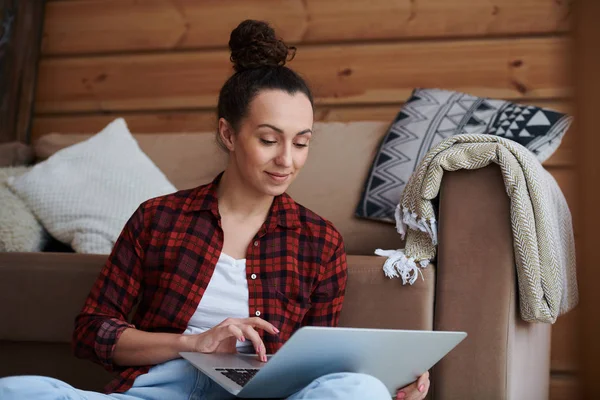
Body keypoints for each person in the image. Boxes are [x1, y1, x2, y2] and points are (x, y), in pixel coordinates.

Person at [0, 20, 430, 400]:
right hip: (164, 388)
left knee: (361, 389)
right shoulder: (159, 219)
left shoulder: (319, 242)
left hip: (265, 394)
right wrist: (194, 343)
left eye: (301, 142)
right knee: (15, 390)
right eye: (268, 139)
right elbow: (92, 332)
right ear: (228, 133)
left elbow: (320, 367)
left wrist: (388, 384)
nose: (287, 160)